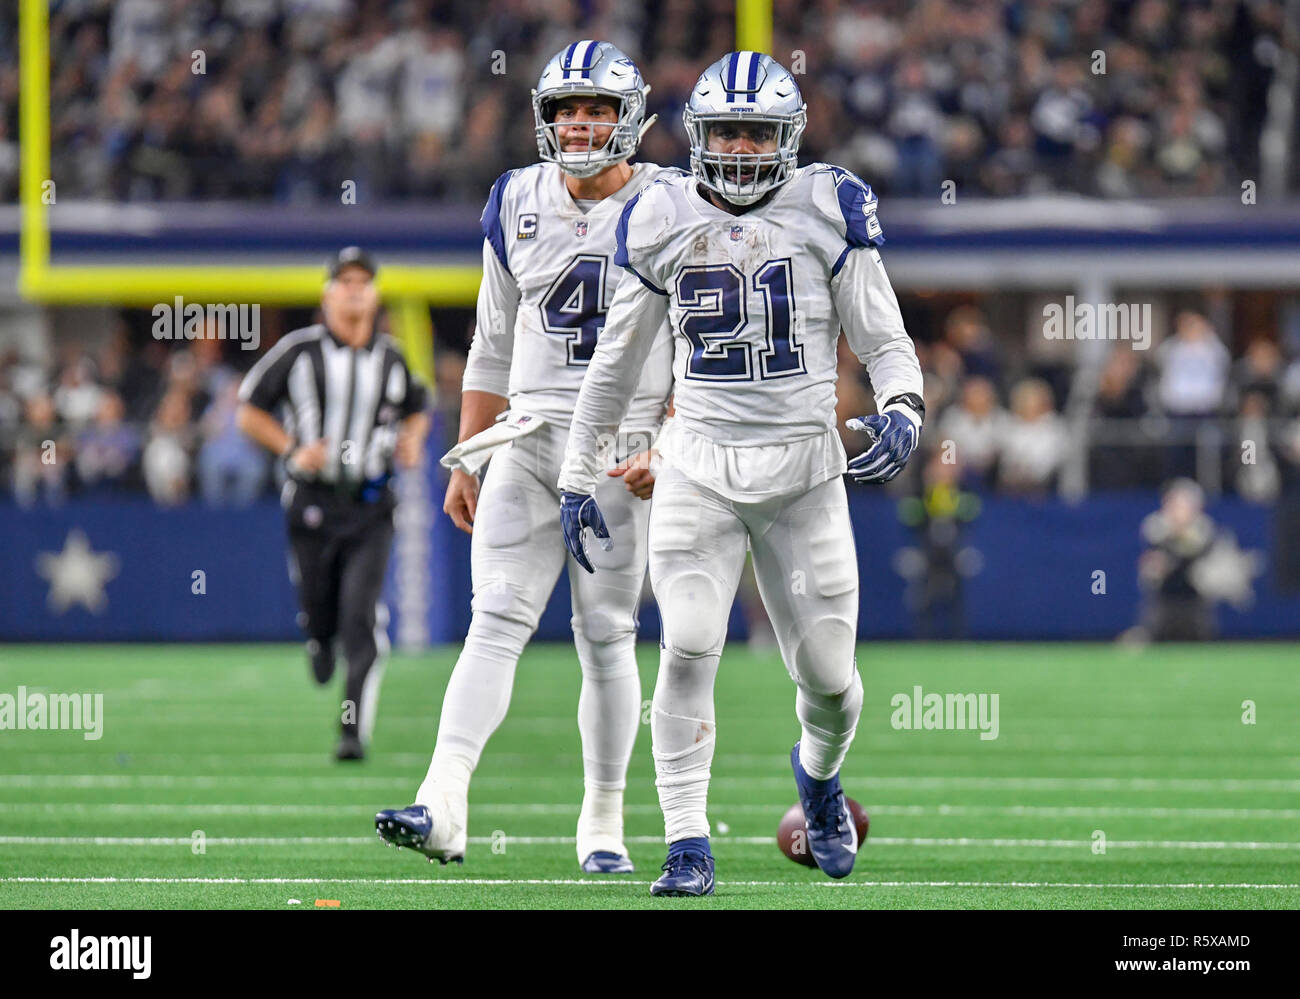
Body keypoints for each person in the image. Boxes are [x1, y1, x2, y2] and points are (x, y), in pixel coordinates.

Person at [557, 52, 924, 895]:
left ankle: (819, 780)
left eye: (757, 131)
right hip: (700, 465)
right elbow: (615, 363)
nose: (742, 146)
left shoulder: (830, 204)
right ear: (697, 134)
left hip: (803, 472)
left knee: (830, 680)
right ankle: (687, 842)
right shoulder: (658, 213)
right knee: (686, 639)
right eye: (726, 129)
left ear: (787, 137)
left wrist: (903, 405)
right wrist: (580, 471)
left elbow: (883, 334)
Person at [374, 41, 676, 873]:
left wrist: (671, 439)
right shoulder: (516, 198)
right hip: (528, 439)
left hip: (618, 448)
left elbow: (700, 340)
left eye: (597, 111)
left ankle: (603, 822)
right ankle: (443, 800)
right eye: (567, 111)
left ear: (630, 119)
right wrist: (466, 455)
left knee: (608, 636)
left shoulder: (673, 204)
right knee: (496, 619)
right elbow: (491, 345)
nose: (580, 125)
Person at [237, 247, 430, 761]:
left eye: (363, 281)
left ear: (375, 294)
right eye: (344, 281)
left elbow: (418, 408)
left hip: (370, 506)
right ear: (327, 295)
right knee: (320, 612)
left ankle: (351, 731)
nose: (353, 290)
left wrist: (411, 441)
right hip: (313, 502)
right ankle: (317, 639)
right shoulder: (299, 352)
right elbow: (248, 409)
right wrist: (292, 449)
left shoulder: (391, 357)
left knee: (360, 616)